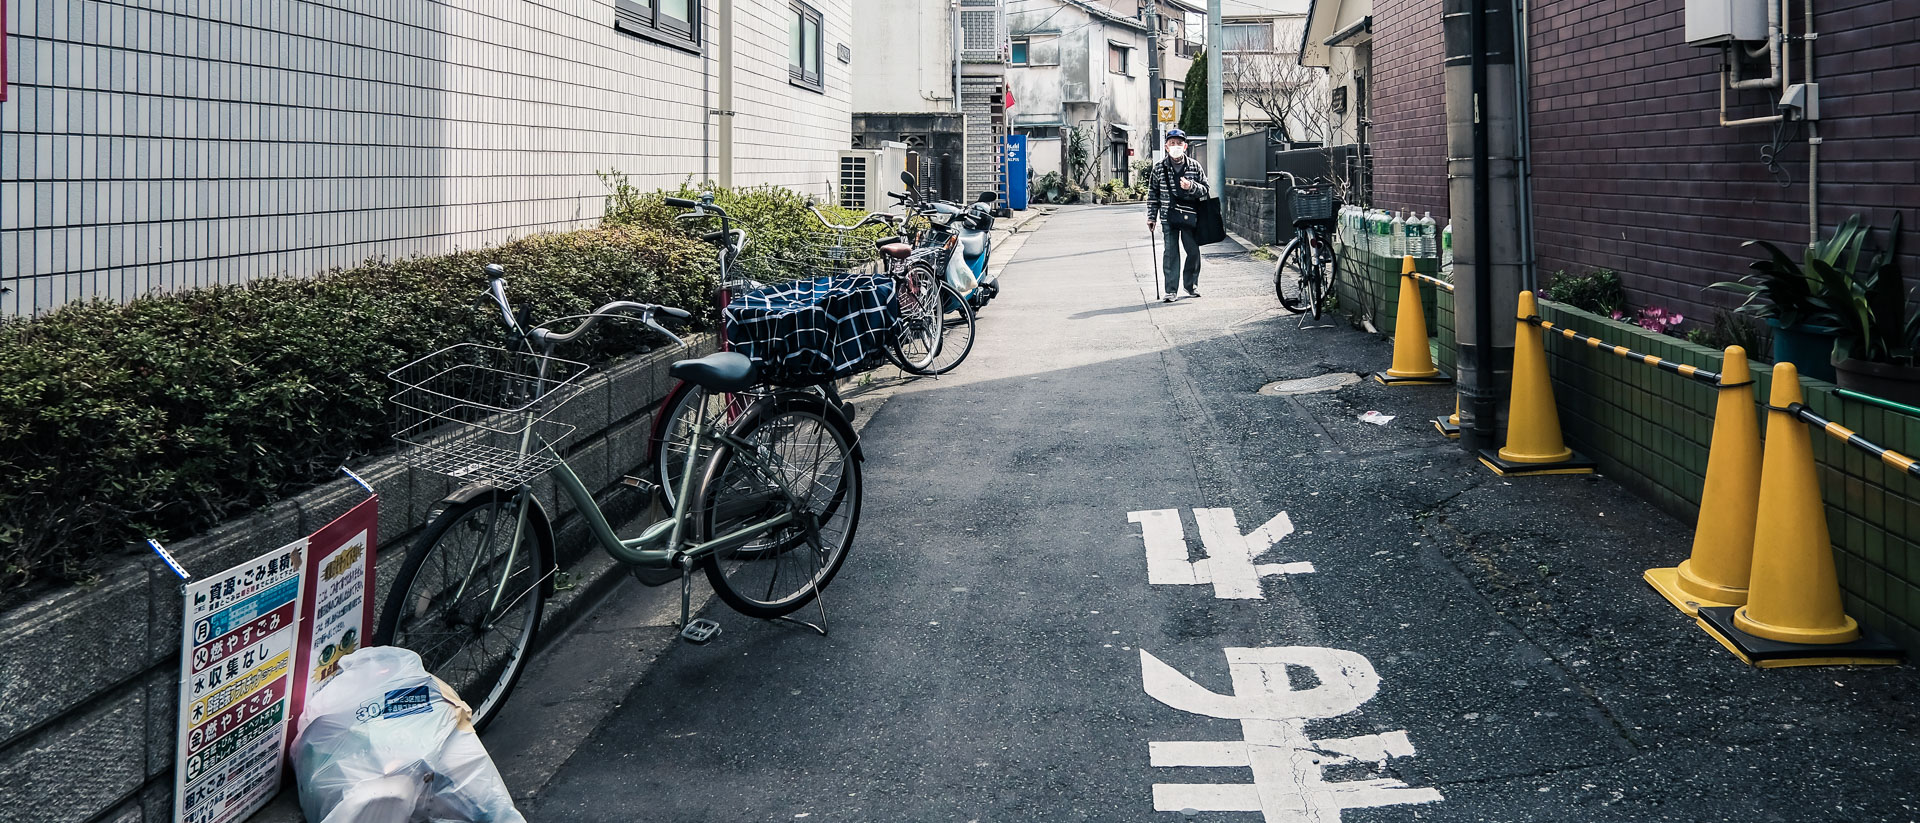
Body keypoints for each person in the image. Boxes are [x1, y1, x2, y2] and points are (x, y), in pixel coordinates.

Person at [1145, 128, 1211, 303]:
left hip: (1191, 216)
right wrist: (1151, 217)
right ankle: (1171, 290)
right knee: (1170, 253)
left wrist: (1191, 186)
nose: (1175, 146)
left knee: (1193, 251)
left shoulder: (1194, 166)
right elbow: (1153, 194)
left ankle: (1191, 285)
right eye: (1172, 143)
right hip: (1168, 216)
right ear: (1166, 147)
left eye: (1179, 143)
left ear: (1185, 146)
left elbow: (1206, 189)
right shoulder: (1159, 168)